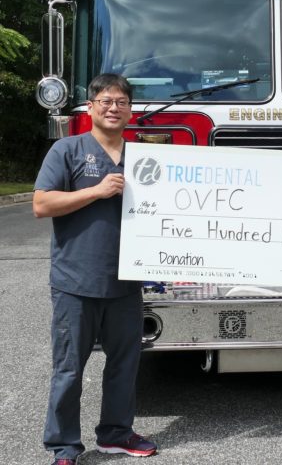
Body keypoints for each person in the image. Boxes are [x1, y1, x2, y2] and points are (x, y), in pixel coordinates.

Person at [33, 73, 157, 464]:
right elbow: (41, 204)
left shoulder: (145, 158)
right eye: (105, 100)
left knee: (125, 366)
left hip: (125, 284)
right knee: (68, 370)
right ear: (91, 107)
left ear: (130, 111)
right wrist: (96, 191)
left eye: (121, 102)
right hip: (75, 282)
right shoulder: (67, 150)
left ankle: (116, 433)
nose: (113, 107)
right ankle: (64, 446)